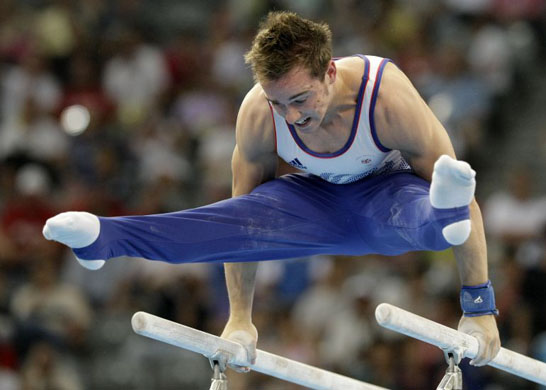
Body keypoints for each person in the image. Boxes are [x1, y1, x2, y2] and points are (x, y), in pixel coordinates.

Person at [42, 11, 500, 370]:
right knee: (226, 219)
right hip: (312, 204)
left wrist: (479, 307)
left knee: (433, 217)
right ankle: (106, 238)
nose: (292, 116)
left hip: (389, 196)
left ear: (330, 73)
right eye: (278, 102)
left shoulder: (387, 98)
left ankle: (443, 211)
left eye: (299, 99)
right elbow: (240, 231)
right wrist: (241, 319)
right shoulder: (259, 115)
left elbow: (473, 202)